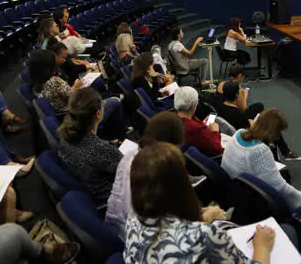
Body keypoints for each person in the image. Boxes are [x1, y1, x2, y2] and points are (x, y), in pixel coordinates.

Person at [125, 141, 276, 264]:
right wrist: (262, 246)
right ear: (182, 185)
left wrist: (204, 218)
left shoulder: (132, 220)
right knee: (289, 231)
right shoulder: (204, 236)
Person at [105, 111, 185, 239]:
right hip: (134, 240)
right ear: (173, 145)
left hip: (114, 227)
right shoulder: (157, 172)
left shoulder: (131, 154)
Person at [221, 109, 301, 210]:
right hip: (246, 199)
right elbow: (278, 186)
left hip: (231, 188)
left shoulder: (239, 133)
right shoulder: (260, 151)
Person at [56, 87, 123, 207]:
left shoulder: (64, 137)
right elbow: (131, 174)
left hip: (91, 188)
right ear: (98, 114)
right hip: (114, 199)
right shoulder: (101, 149)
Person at [174, 86, 222, 156]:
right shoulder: (197, 129)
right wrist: (215, 132)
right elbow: (217, 149)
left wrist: (202, 124)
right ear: (193, 105)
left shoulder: (172, 117)